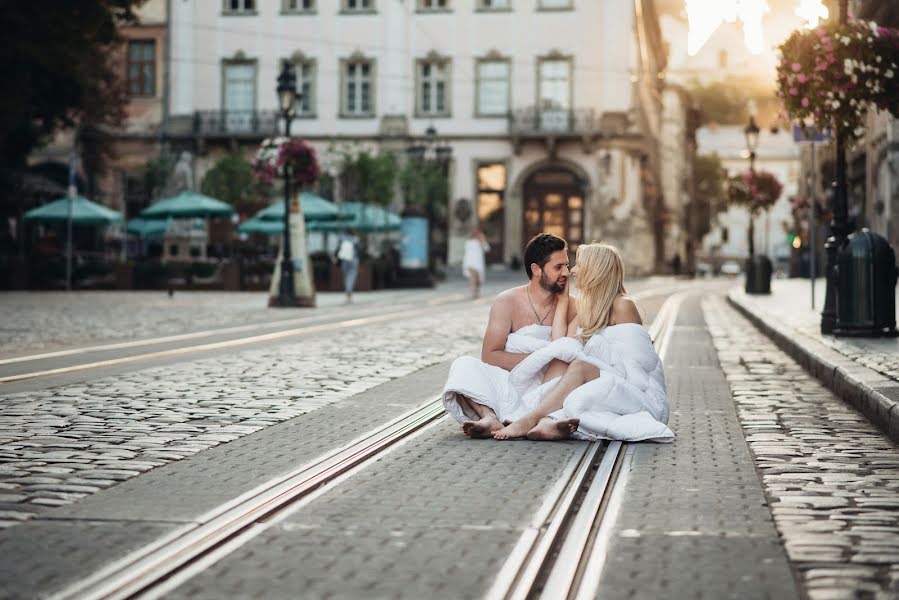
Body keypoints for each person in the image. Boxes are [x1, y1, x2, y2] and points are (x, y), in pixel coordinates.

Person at [491, 243, 673, 443]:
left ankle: (531, 418)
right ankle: (546, 418)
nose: (572, 271)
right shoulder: (589, 307)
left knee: (579, 366)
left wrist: (594, 358)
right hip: (610, 382)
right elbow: (562, 345)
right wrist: (562, 301)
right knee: (563, 358)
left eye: (579, 265)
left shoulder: (623, 305)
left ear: (596, 270)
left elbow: (638, 371)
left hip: (640, 394)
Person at [441, 233, 574, 438]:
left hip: (550, 384)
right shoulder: (507, 301)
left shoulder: (572, 305)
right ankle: (489, 417)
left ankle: (547, 420)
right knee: (463, 364)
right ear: (536, 269)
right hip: (512, 378)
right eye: (558, 267)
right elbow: (490, 355)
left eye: (566, 265)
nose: (566, 272)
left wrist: (545, 365)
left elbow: (569, 354)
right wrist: (537, 362)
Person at [462, 227, 490, 299]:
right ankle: (473, 293)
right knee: (472, 278)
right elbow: (466, 252)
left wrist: (482, 241)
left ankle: (477, 292)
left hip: (478, 261)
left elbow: (487, 249)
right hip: (470, 261)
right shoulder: (468, 241)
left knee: (478, 278)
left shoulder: (481, 239)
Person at [335, 228, 361, 303]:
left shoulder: (342, 239)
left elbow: (338, 249)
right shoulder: (356, 239)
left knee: (346, 276)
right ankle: (349, 294)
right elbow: (359, 250)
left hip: (344, 260)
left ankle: (347, 294)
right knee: (351, 276)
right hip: (353, 259)